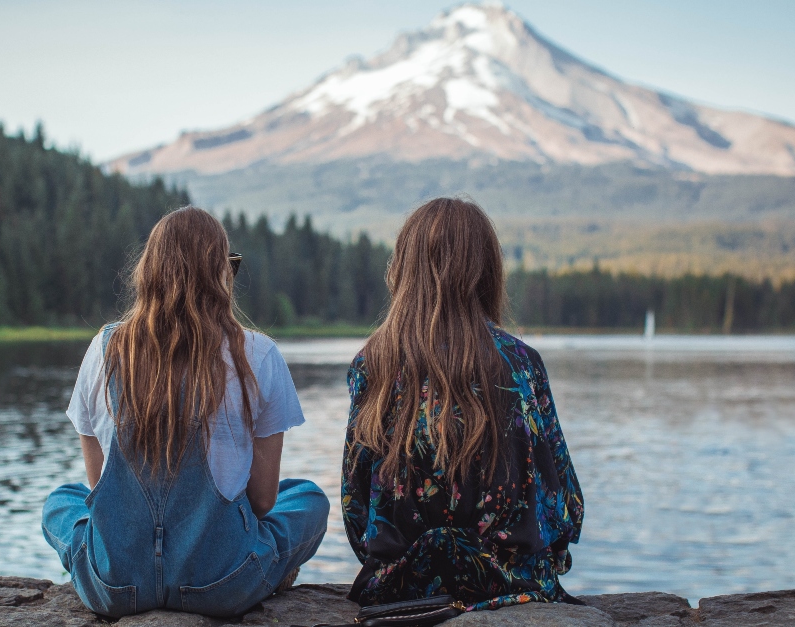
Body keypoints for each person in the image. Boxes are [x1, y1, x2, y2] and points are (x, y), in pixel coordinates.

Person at [42, 207, 328, 619]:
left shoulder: (105, 349)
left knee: (62, 500)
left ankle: (92, 565)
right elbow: (264, 501)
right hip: (222, 585)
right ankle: (271, 565)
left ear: (149, 272)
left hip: (117, 586)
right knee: (307, 498)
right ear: (220, 276)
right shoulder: (258, 354)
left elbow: (99, 489)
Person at [341, 197, 585, 611]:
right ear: (487, 273)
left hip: (402, 585)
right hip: (508, 581)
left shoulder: (372, 363)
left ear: (404, 269)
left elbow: (355, 505)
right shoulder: (521, 362)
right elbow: (566, 505)